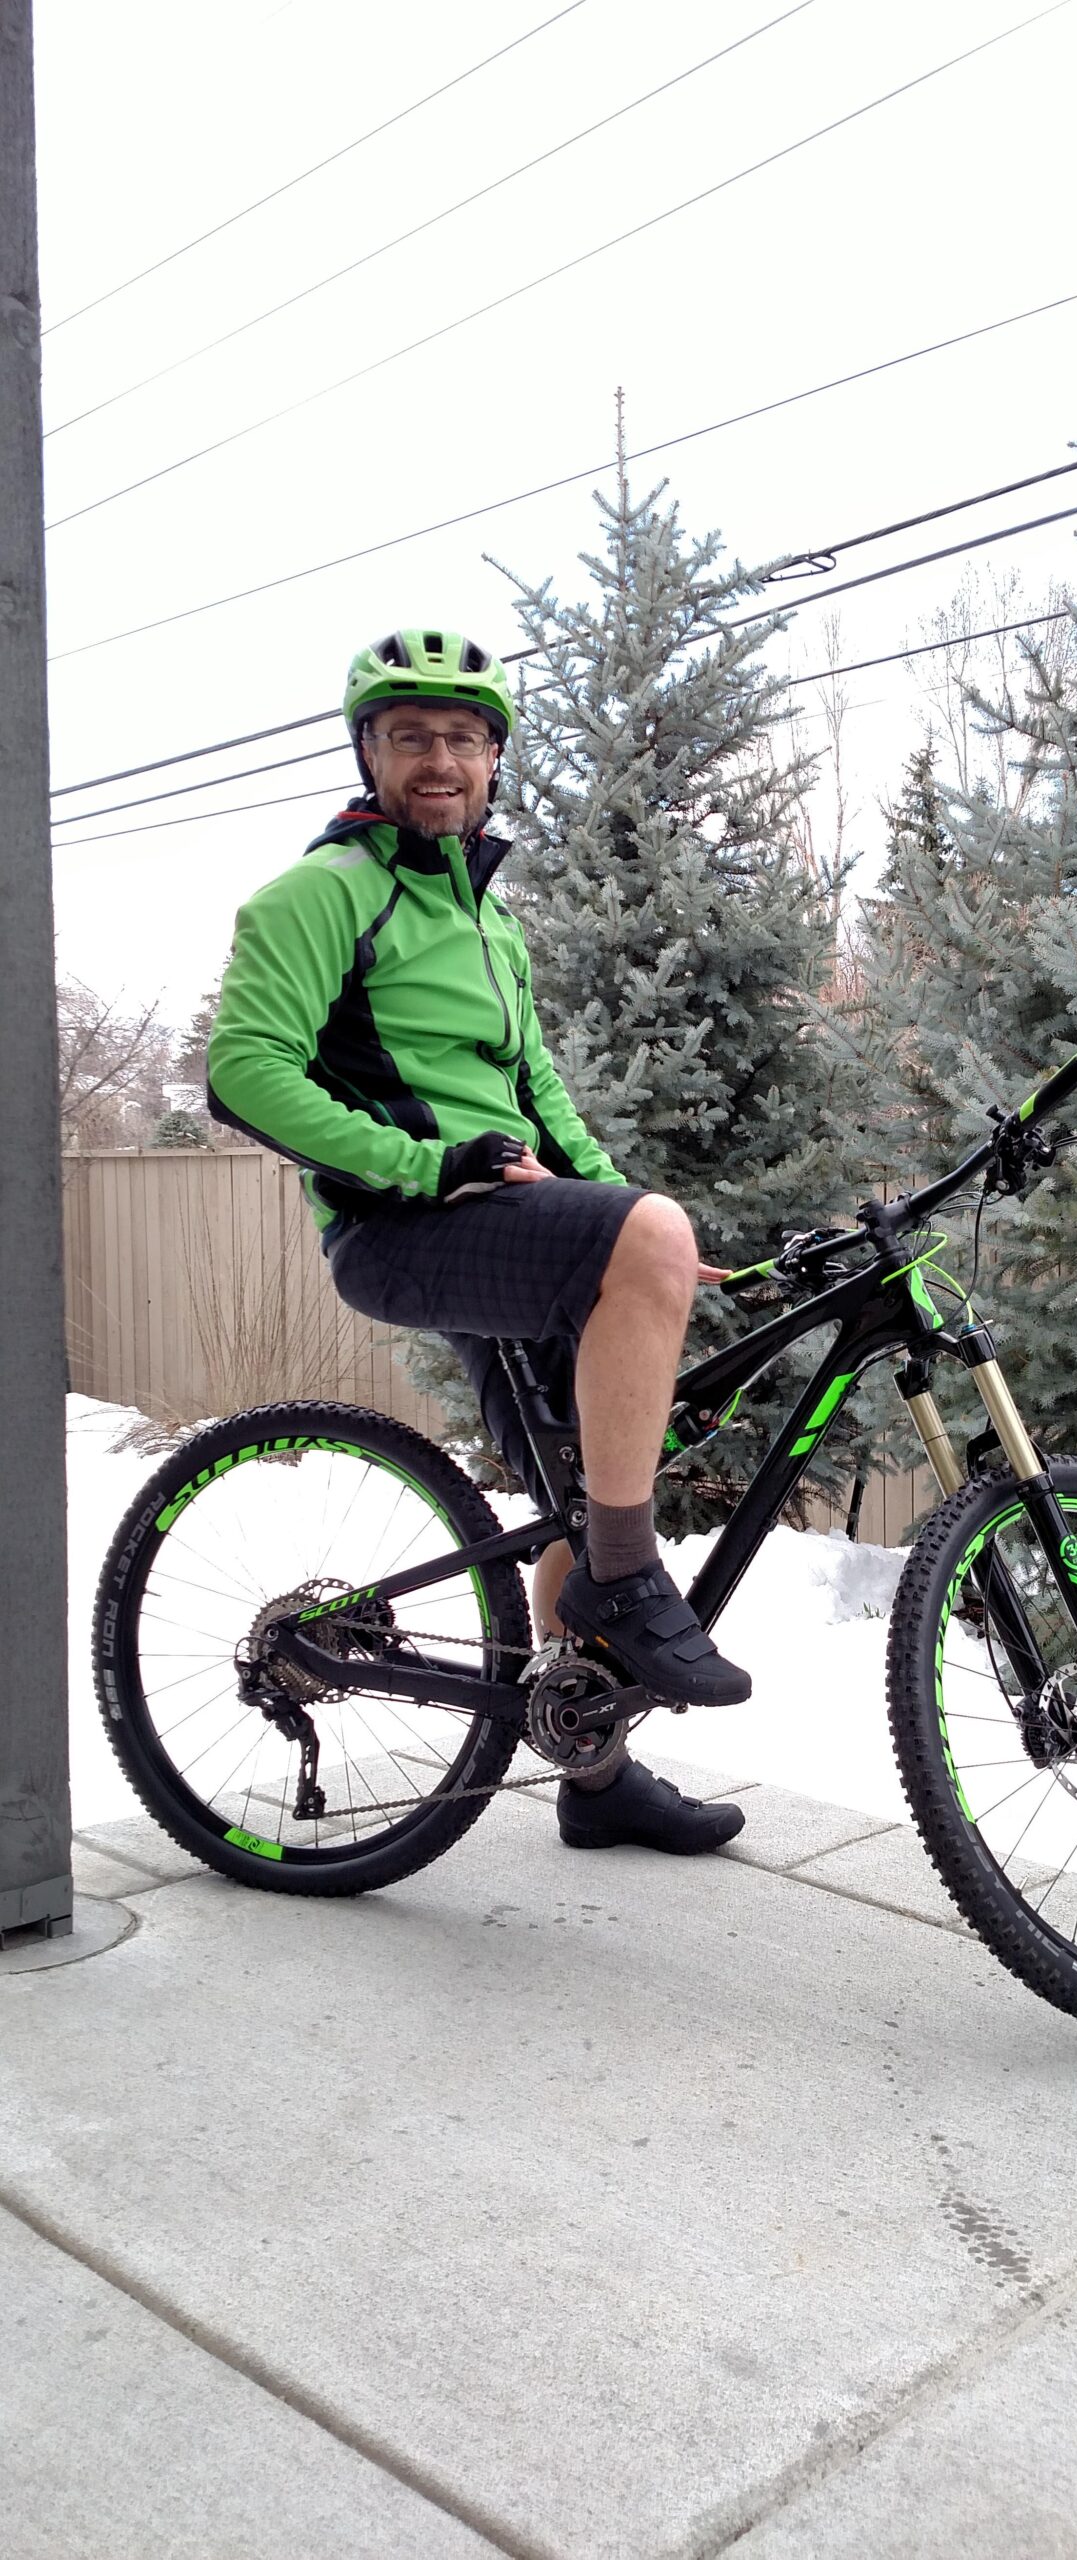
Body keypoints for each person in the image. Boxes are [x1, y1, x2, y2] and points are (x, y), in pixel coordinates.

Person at [207, 627, 750, 1854]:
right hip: (400, 1226)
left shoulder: (489, 924)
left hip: (502, 1217)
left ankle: (593, 1769)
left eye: (462, 737)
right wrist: (416, 1162)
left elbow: (538, 1096)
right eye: (410, 736)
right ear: (370, 753)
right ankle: (627, 1583)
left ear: (494, 760)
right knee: (608, 1522)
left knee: (575, 1486)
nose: (438, 759)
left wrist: (631, 1219)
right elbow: (242, 1072)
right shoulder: (322, 893)